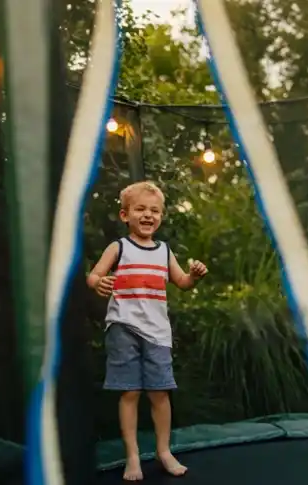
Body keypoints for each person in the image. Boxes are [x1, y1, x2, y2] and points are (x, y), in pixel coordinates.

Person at [87, 181, 208, 481]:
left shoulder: (164, 251)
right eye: (140, 209)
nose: (147, 215)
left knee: (159, 393)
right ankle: (132, 457)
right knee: (130, 392)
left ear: (161, 217)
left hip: (157, 333)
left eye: (154, 211)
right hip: (123, 327)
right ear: (125, 214)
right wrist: (96, 282)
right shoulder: (119, 247)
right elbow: (95, 274)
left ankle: (164, 451)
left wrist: (194, 276)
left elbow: (182, 282)